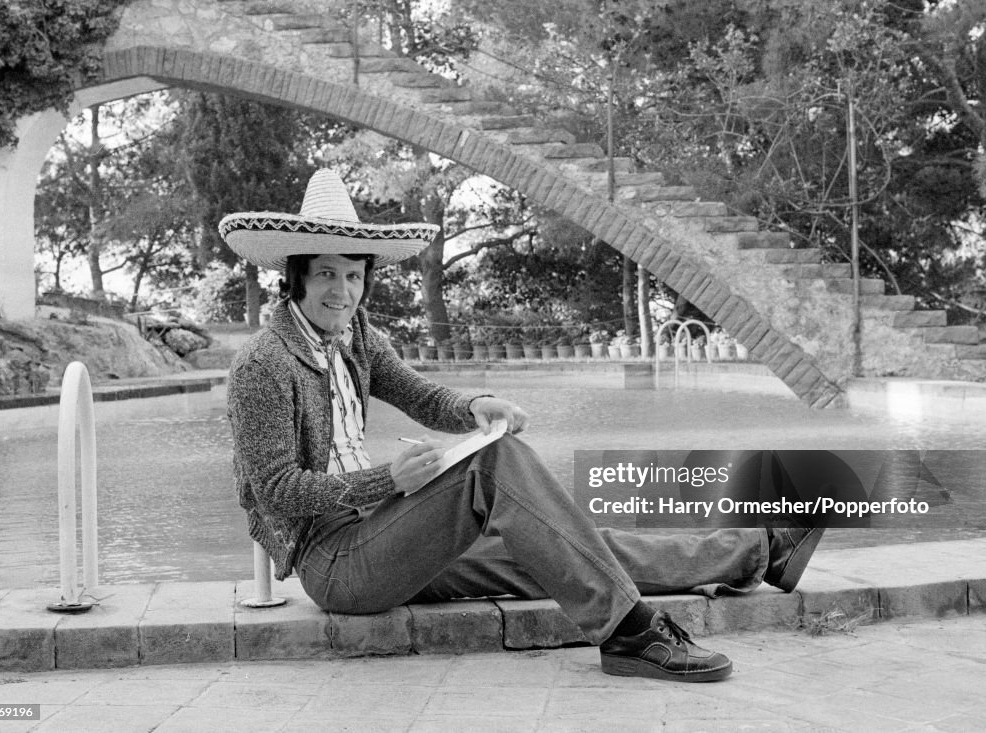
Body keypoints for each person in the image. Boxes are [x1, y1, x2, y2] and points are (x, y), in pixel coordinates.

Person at [221, 169, 824, 683]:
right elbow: (277, 490)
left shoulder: (357, 338)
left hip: (385, 535)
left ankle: (760, 550)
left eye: (354, 275)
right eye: (327, 273)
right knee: (497, 464)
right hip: (337, 566)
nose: (343, 290)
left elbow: (418, 394)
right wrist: (389, 482)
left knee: (564, 544)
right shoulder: (262, 365)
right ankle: (631, 635)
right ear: (295, 276)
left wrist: (476, 406)